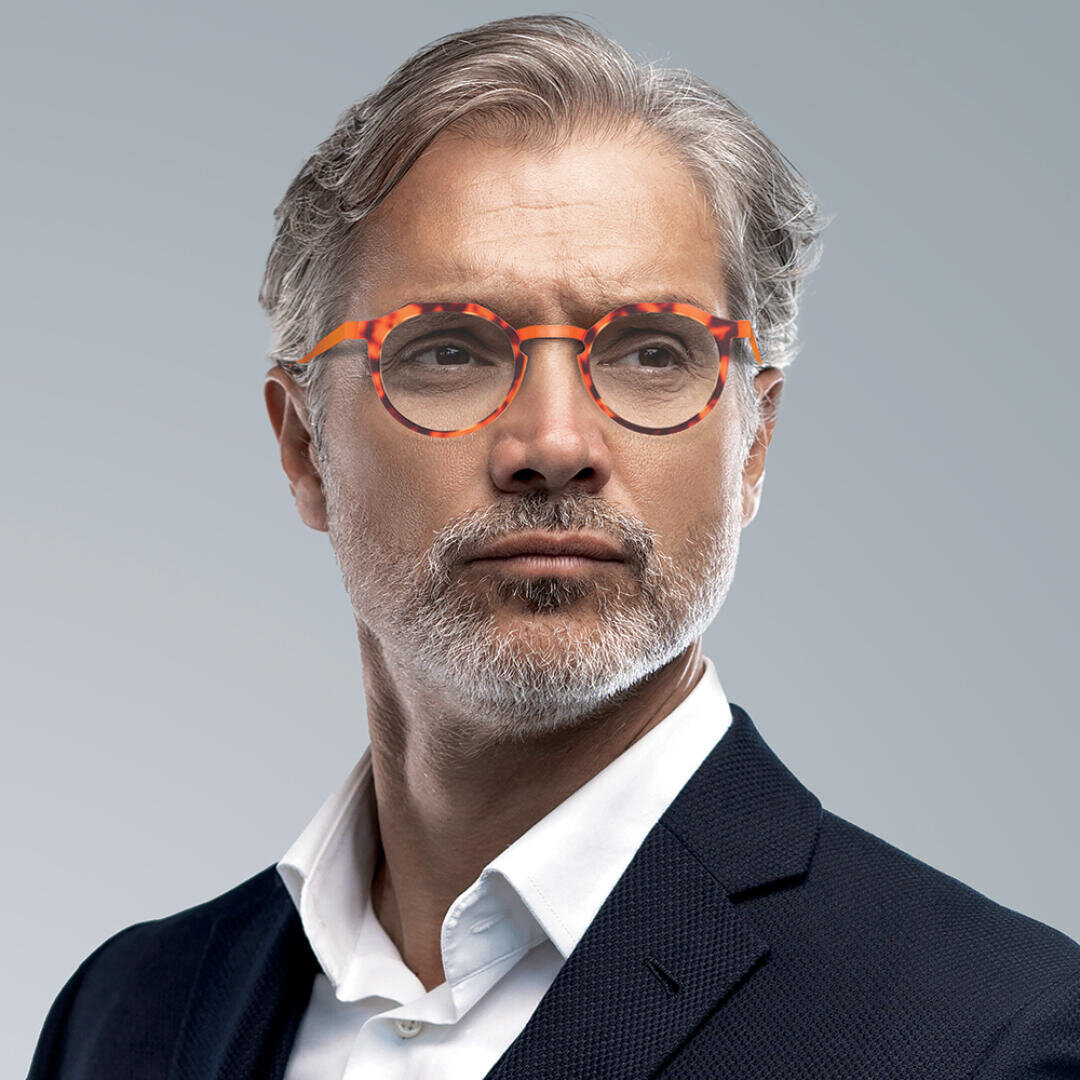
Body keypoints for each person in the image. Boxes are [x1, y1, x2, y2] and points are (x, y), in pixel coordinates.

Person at [28, 14, 1080, 1079]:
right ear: (304, 446)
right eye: (447, 349)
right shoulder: (123, 1018)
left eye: (651, 352)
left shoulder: (987, 1036)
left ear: (754, 443)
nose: (554, 445)